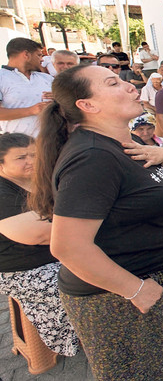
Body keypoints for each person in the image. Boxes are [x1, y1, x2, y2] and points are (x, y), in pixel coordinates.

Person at [31, 64, 163, 379]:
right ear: (88, 106)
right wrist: (136, 290)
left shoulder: (124, 141)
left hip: (149, 281)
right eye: (114, 83)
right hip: (114, 299)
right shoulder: (92, 158)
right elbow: (68, 247)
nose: (131, 87)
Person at [0, 133, 79, 358]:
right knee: (84, 283)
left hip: (58, 252)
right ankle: (80, 336)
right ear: (1, 164)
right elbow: (42, 235)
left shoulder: (40, 179)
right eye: (21, 157)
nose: (31, 160)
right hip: (20, 269)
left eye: (34, 154)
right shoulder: (3, 193)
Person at [0, 37, 52, 137]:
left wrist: (58, 99)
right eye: (39, 55)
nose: (42, 59)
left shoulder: (46, 78)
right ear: (26, 55)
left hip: (49, 143)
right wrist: (31, 110)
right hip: (18, 146)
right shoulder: (2, 77)